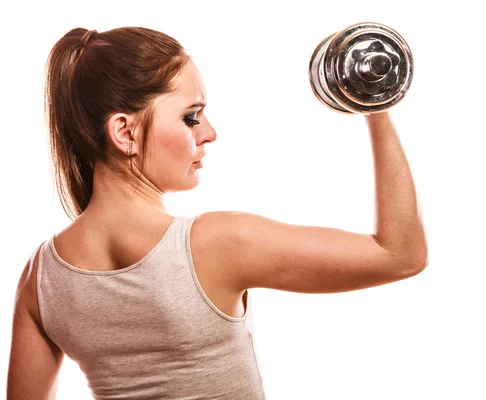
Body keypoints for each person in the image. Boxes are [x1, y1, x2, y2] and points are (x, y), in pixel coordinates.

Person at [7, 26, 428, 399]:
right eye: (191, 117)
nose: (209, 133)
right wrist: (376, 105)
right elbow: (401, 254)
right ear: (125, 132)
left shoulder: (40, 278)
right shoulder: (214, 245)